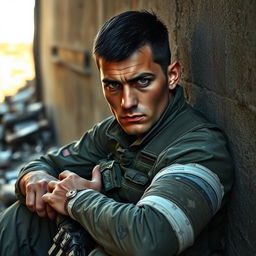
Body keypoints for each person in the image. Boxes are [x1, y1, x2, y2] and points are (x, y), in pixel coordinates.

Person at [0, 10, 233, 256]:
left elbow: (152, 239)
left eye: (142, 82)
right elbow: (47, 163)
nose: (126, 102)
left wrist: (74, 199)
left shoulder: (200, 147)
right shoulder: (113, 132)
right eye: (113, 85)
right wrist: (33, 178)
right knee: (24, 217)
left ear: (172, 75)